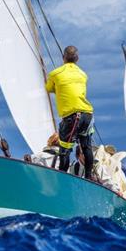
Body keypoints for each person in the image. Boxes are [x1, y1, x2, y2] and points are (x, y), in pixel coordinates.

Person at [45, 45, 95, 179]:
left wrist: (58, 88)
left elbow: (48, 88)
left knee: (65, 150)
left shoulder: (55, 74)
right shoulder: (83, 74)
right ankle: (88, 177)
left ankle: (63, 179)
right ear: (77, 59)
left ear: (63, 58)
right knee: (86, 147)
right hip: (87, 115)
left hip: (72, 117)